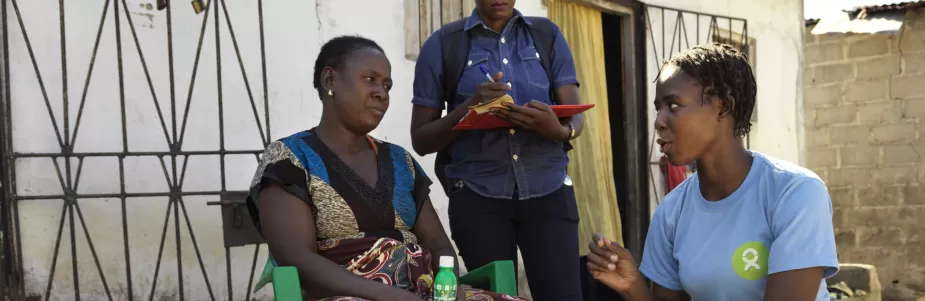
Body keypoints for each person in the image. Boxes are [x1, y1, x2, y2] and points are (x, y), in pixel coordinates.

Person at [246, 35, 523, 301]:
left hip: (423, 292)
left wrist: (451, 292)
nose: (381, 93)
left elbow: (439, 246)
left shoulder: (400, 161)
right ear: (330, 79)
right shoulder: (290, 159)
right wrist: (389, 296)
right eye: (370, 80)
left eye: (387, 86)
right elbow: (297, 258)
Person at [586, 43, 840, 301]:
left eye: (673, 106)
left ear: (723, 107)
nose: (659, 121)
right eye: (658, 108)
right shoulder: (671, 213)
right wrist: (634, 288)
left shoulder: (795, 193)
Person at [408, 0, 586, 300]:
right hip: (478, 198)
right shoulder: (443, 44)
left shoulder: (547, 35)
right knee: (492, 297)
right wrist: (469, 107)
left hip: (549, 192)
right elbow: (421, 140)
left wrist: (559, 130)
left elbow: (575, 116)